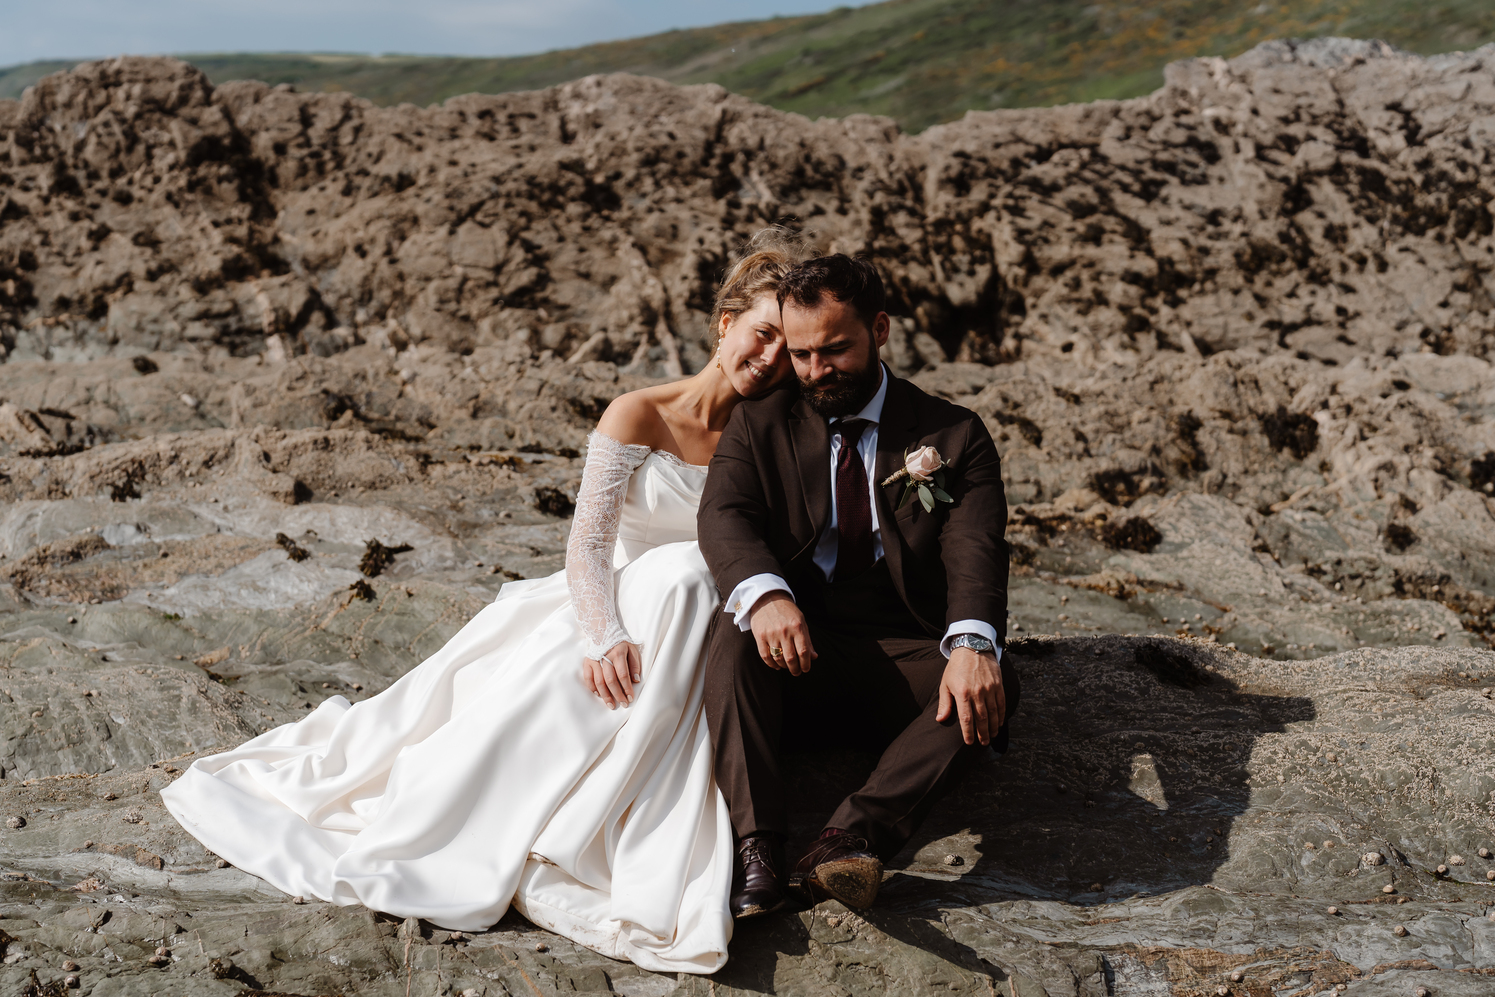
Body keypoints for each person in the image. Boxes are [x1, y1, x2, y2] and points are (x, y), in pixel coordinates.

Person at [161, 227, 810, 975]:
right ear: (725, 324)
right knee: (666, 587)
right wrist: (603, 634)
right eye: (761, 335)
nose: (768, 358)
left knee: (693, 578)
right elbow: (587, 546)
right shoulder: (638, 413)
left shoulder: (771, 431)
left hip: (701, 627)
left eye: (785, 348)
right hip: (619, 609)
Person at [698, 254, 1017, 918]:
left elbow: (973, 547)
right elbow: (724, 514)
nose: (815, 370)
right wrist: (765, 594)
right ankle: (756, 851)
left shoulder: (953, 433)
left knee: (992, 683)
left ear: (879, 329)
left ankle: (845, 842)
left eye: (835, 350)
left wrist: (970, 644)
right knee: (728, 642)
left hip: (902, 652)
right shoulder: (760, 421)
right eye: (803, 352)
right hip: (797, 653)